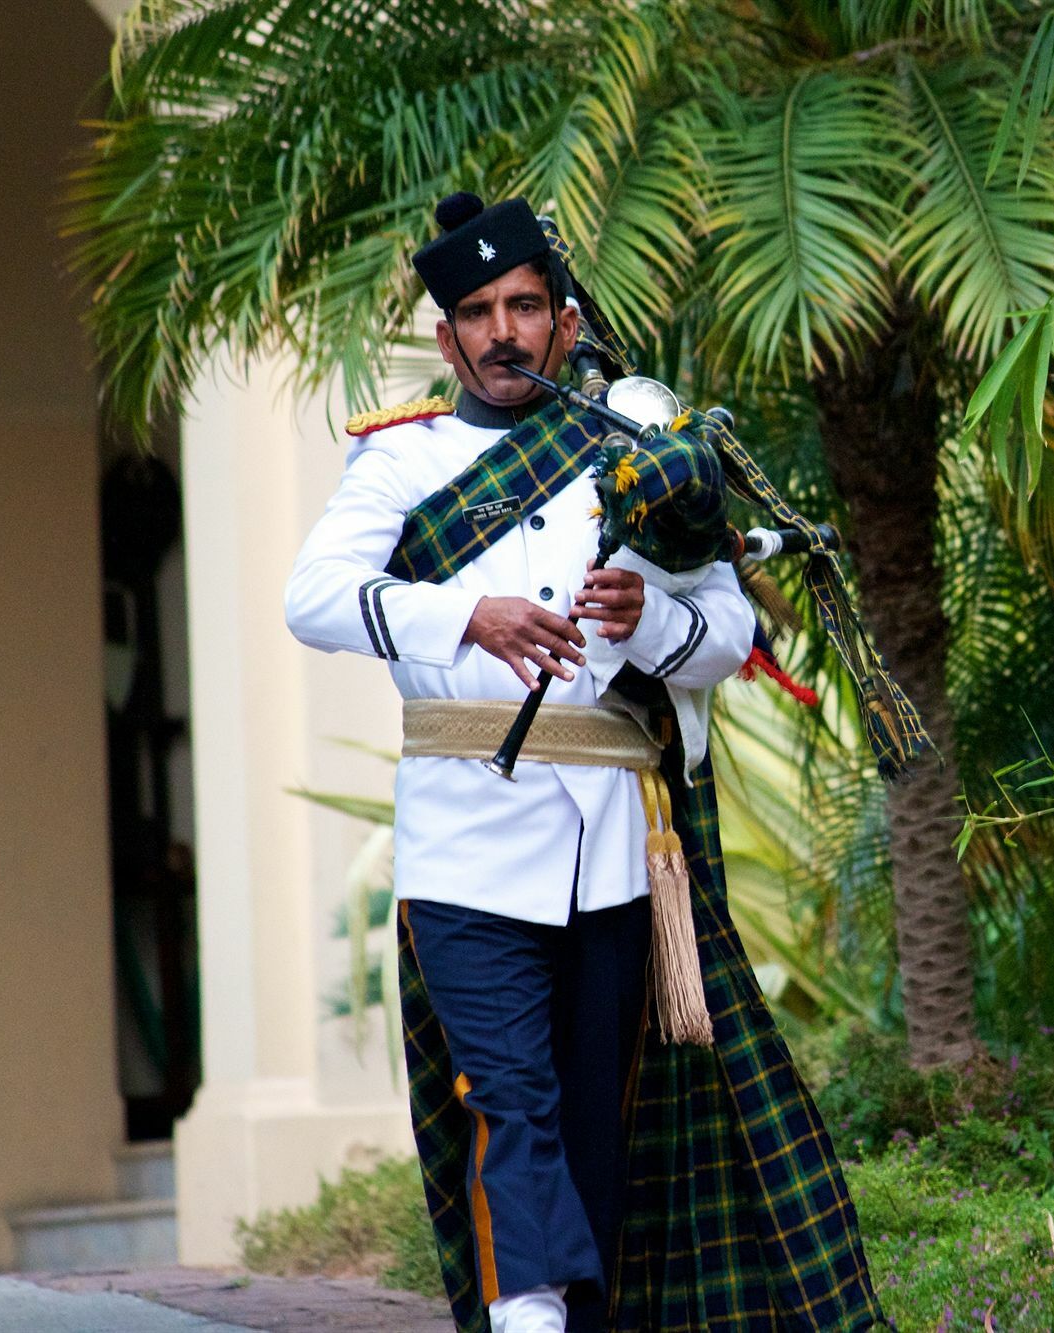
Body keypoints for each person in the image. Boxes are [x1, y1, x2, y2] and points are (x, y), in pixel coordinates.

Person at [285, 195, 886, 1333]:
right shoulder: (399, 462)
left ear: (564, 321)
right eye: (476, 312)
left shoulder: (639, 451)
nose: (501, 330)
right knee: (508, 1100)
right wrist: (472, 618)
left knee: (597, 1131)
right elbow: (310, 599)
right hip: (463, 841)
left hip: (612, 850)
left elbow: (725, 635)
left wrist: (643, 624)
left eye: (523, 306)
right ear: (446, 336)